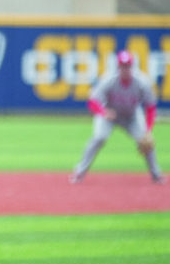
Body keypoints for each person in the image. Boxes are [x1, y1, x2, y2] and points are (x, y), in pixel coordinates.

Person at [70, 50, 164, 184]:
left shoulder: (142, 82)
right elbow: (92, 102)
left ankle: (156, 174)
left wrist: (149, 129)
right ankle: (79, 172)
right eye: (122, 66)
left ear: (132, 67)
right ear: (118, 67)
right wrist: (103, 113)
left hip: (132, 116)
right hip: (110, 115)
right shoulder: (108, 79)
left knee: (146, 141)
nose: (125, 69)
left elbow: (151, 106)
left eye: (128, 66)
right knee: (99, 138)